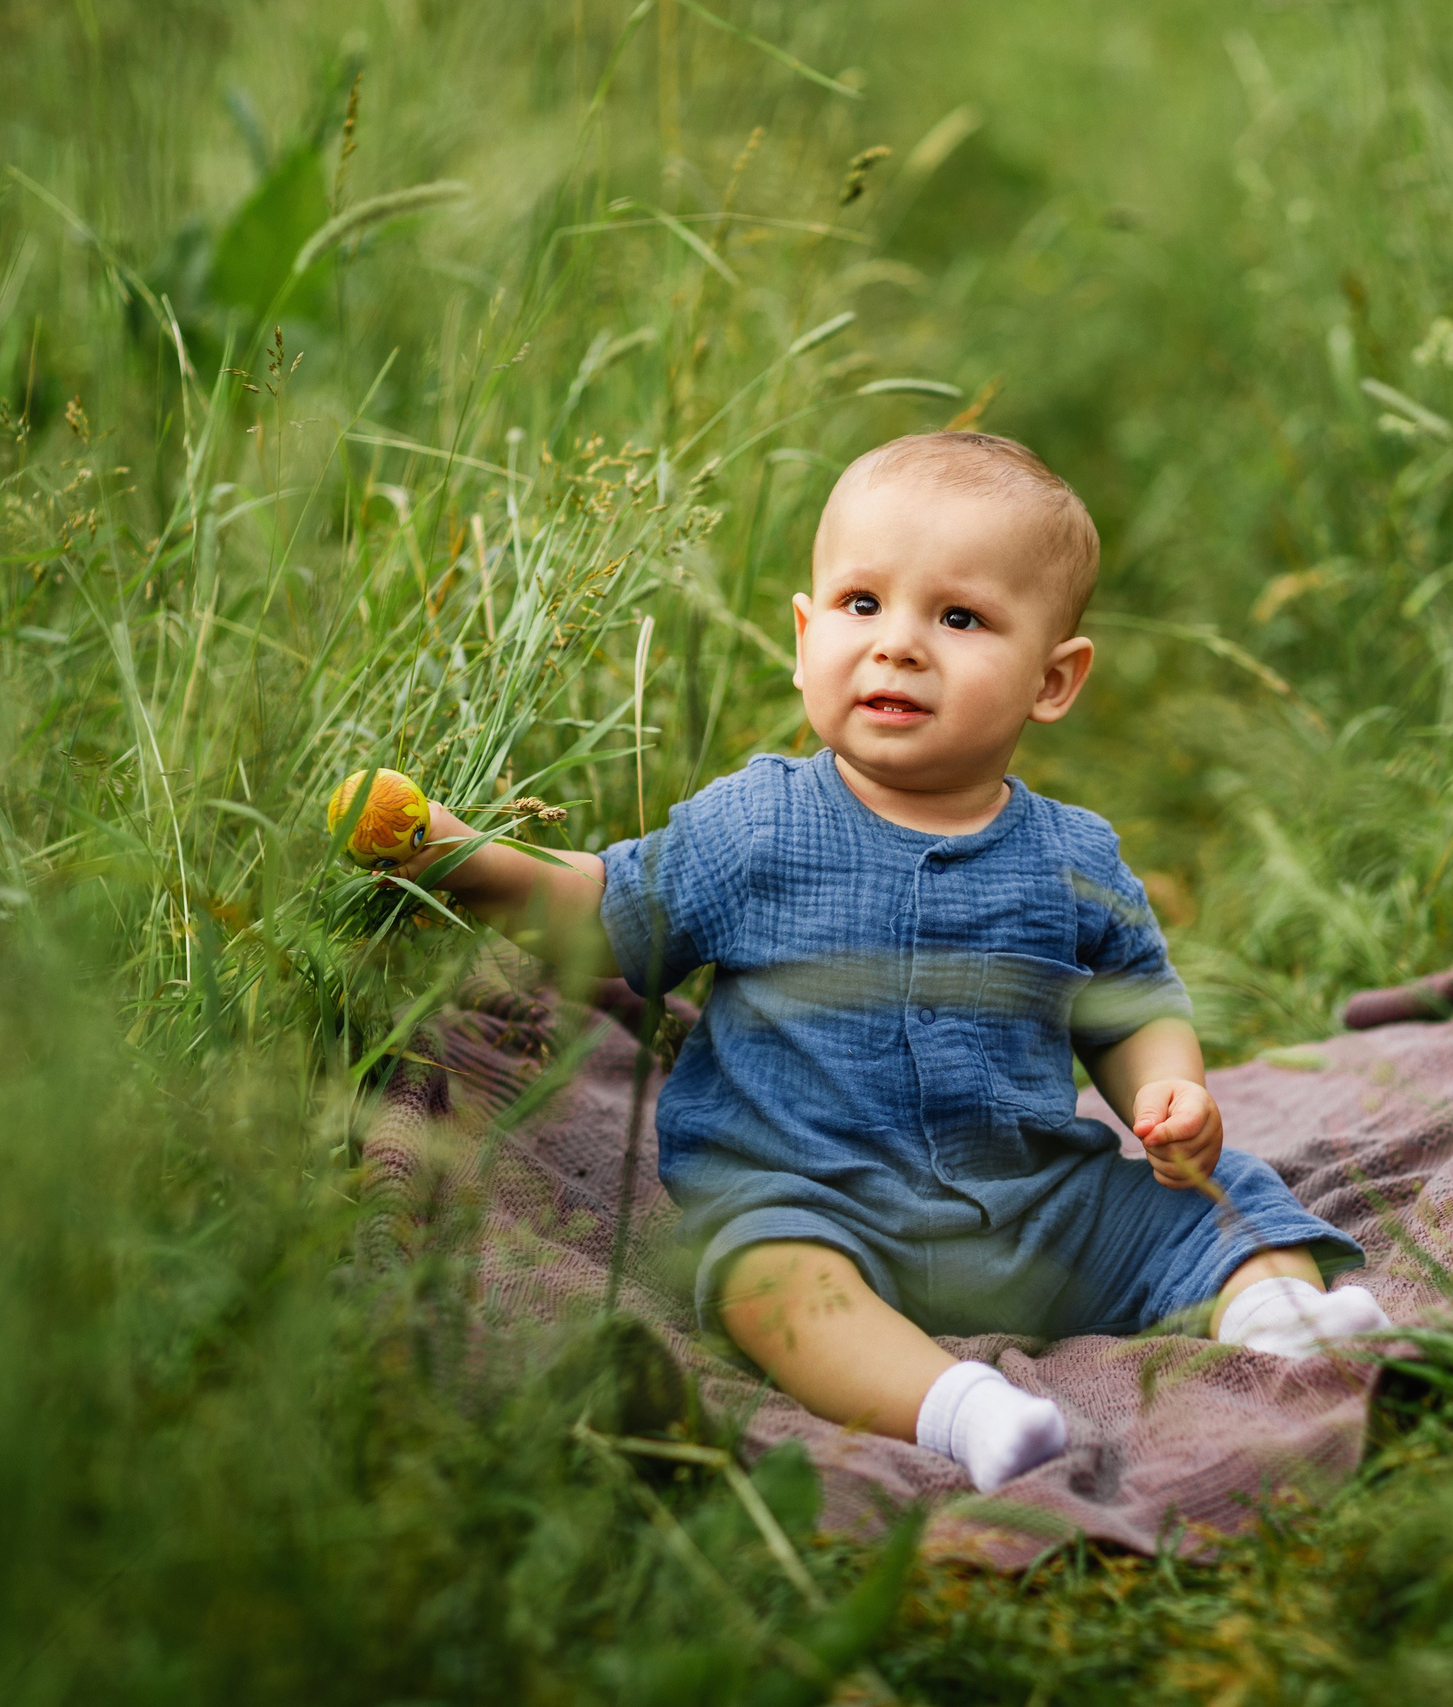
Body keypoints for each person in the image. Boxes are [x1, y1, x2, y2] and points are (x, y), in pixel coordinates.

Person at [398, 431, 1390, 1491]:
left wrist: (1169, 1091)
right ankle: (961, 1411)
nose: (899, 646)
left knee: (1223, 1193)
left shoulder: (1073, 857)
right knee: (765, 1281)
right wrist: (469, 860)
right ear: (804, 635)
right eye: (862, 603)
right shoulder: (755, 826)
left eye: (958, 618)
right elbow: (608, 910)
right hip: (810, 1203)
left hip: (1031, 1208)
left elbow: (1132, 1003)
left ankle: (1278, 1315)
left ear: (1053, 679)